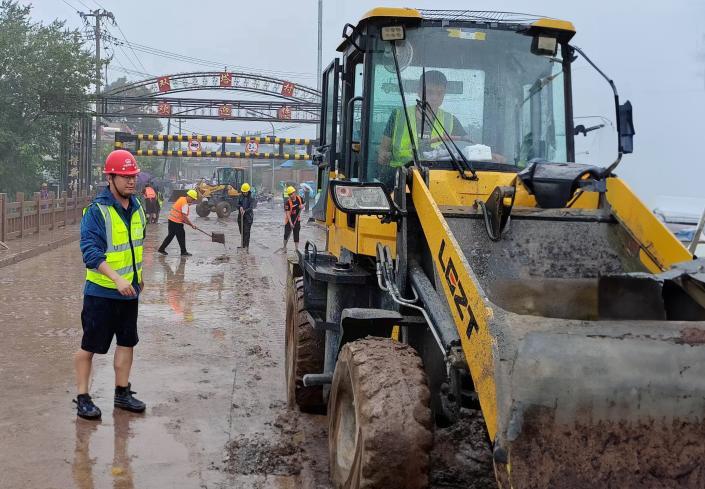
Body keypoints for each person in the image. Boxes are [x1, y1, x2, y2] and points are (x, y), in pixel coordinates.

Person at [74, 149, 147, 420]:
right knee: (89, 346)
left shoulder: (137, 207)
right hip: (101, 293)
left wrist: (138, 279)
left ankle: (122, 393)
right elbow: (91, 253)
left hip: (130, 292)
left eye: (134, 176)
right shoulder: (96, 211)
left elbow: (136, 247)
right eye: (125, 176)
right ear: (111, 178)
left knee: (127, 343)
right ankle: (83, 397)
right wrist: (116, 279)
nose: (131, 182)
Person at [157, 189, 197, 256]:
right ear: (189, 196)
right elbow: (184, 217)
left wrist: (190, 224)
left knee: (170, 236)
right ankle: (183, 252)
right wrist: (192, 225)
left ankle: (161, 249)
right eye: (192, 199)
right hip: (176, 222)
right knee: (181, 236)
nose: (192, 201)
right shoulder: (185, 204)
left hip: (171, 220)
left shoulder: (181, 199)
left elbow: (183, 218)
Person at [282, 186, 304, 252]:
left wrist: (302, 206)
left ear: (294, 192)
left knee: (296, 234)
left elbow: (304, 204)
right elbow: (288, 214)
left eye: (292, 194)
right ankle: (284, 247)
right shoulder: (287, 203)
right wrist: (291, 223)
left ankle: (296, 249)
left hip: (297, 219)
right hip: (289, 220)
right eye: (289, 194)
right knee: (286, 234)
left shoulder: (300, 198)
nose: (291, 196)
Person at [237, 182, 255, 252]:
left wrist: (245, 211)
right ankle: (243, 245)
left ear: (248, 191)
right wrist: (240, 207)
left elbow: (251, 207)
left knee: (247, 232)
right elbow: (238, 204)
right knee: (242, 232)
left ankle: (246, 246)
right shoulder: (240, 196)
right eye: (243, 192)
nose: (244, 193)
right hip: (240, 217)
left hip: (248, 217)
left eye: (246, 192)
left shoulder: (251, 198)